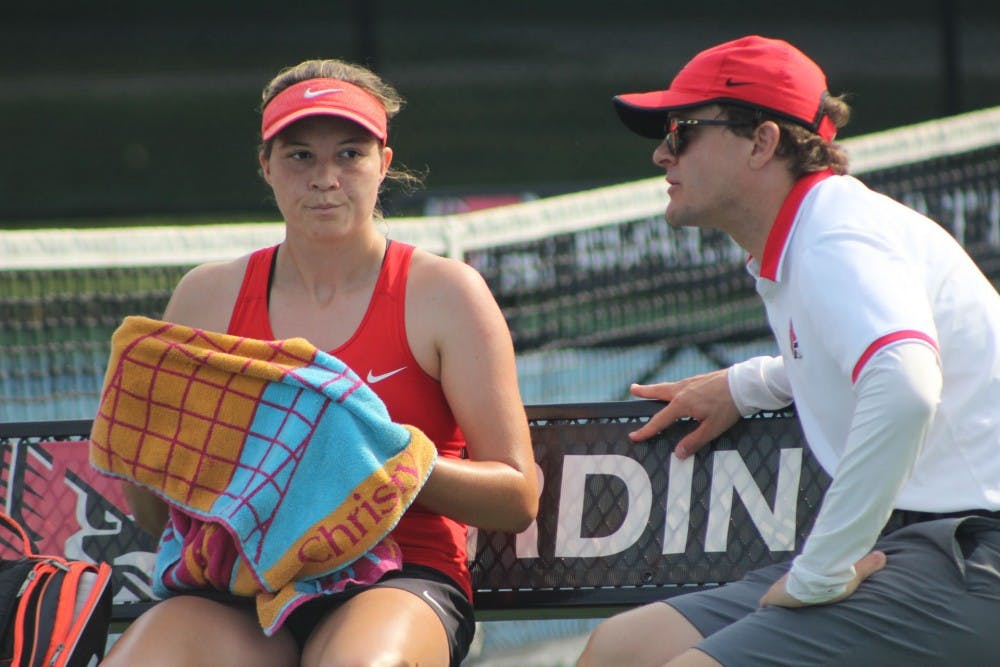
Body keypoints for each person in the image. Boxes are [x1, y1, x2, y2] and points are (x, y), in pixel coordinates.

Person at [577, 35, 1000, 666]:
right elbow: (878, 356)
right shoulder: (816, 231)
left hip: (970, 558)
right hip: (922, 548)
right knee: (620, 649)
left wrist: (821, 571)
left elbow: (907, 386)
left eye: (683, 129)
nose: (663, 153)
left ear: (763, 142)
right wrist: (750, 384)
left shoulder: (835, 235)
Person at [100, 58, 539, 667]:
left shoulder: (446, 293)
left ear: (384, 164)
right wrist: (144, 442)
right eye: (300, 155)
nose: (325, 177)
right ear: (267, 166)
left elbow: (517, 497)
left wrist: (363, 460)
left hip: (401, 578)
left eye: (351, 154)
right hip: (241, 584)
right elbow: (154, 516)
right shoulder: (206, 297)